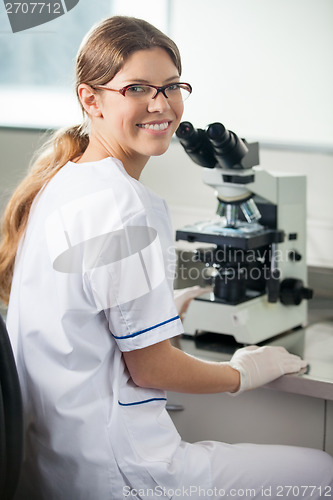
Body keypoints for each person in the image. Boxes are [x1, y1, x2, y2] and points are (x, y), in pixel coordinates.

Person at [0, 16, 332, 500]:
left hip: (55, 468)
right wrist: (240, 374)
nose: (160, 104)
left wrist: (159, 309)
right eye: (137, 88)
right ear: (90, 100)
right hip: (122, 474)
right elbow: (151, 369)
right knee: (320, 472)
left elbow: (86, 307)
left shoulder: (64, 180)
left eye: (171, 86)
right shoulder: (125, 203)